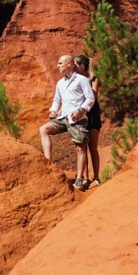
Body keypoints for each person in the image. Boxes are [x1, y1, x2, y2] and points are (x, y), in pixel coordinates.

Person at [39, 55, 95, 191]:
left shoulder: (82, 80)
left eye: (60, 63)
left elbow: (90, 98)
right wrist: (53, 111)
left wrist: (81, 110)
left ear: (69, 64)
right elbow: (57, 100)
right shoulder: (60, 83)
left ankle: (79, 179)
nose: (57, 66)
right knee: (44, 129)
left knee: (80, 148)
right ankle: (49, 163)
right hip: (63, 117)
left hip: (77, 119)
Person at [74, 54, 102, 189]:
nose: (73, 68)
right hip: (81, 115)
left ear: (82, 66)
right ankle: (85, 178)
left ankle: (96, 177)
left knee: (92, 148)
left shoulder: (93, 80)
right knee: (82, 147)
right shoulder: (75, 80)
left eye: (75, 65)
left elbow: (93, 97)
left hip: (92, 115)